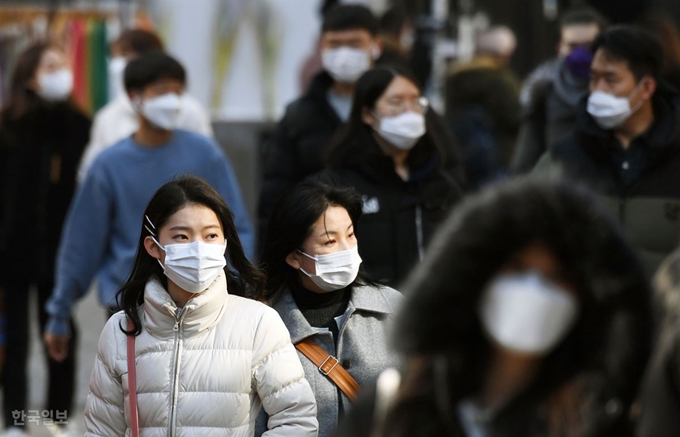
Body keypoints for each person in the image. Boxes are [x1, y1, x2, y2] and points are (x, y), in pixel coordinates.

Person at [336, 176, 652, 437]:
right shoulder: (395, 403)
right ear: (474, 278)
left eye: (557, 277)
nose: (533, 291)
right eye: (515, 268)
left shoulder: (603, 419)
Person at [43, 52, 254, 363]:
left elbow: (237, 226)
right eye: (160, 91)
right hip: (130, 304)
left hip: (203, 297)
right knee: (134, 400)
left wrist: (238, 283)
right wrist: (60, 311)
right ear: (134, 97)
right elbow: (82, 244)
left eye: (177, 91)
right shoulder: (109, 165)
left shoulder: (204, 153)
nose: (171, 100)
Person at [84, 175, 318, 436]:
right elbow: (101, 430)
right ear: (154, 247)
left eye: (210, 235)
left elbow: (297, 420)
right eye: (182, 237)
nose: (198, 248)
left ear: (224, 243)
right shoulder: (121, 331)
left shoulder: (258, 323)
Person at [253, 181, 403, 437]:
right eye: (329, 241)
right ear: (293, 257)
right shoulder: (262, 323)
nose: (347, 249)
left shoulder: (393, 308)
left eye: (350, 234)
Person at [533, 25, 680, 279]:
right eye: (593, 78)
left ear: (645, 89)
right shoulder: (564, 157)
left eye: (610, 79)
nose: (597, 90)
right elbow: (524, 228)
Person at [0, 42, 90, 437]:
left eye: (62, 63)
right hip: (10, 251)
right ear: (30, 76)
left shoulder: (80, 125)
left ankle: (57, 416)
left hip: (60, 251)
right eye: (50, 65)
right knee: (13, 339)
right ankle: (14, 419)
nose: (60, 71)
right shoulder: (8, 126)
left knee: (60, 332)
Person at [318, 66, 464, 287]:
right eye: (396, 103)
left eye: (417, 102)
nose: (409, 112)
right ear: (368, 114)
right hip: (366, 313)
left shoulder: (439, 182)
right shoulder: (337, 186)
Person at [257, 4, 382, 250]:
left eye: (354, 44)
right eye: (335, 44)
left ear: (376, 45)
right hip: (322, 253)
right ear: (321, 47)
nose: (344, 53)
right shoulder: (299, 117)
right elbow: (275, 198)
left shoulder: (396, 109)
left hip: (385, 251)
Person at [77, 28, 213, 182]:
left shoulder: (190, 112)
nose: (116, 65)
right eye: (115, 58)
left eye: (125, 56)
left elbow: (208, 170)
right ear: (135, 97)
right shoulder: (108, 118)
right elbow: (90, 176)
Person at [512, 7, 606, 174]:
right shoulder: (544, 88)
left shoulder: (618, 90)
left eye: (589, 46)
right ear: (560, 48)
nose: (581, 54)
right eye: (573, 46)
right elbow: (527, 154)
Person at [446, 25, 522, 188]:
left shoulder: (456, 77)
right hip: (498, 158)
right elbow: (515, 117)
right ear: (504, 55)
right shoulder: (501, 81)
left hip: (461, 154)